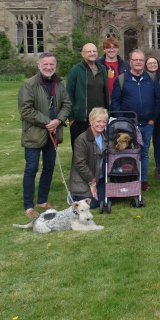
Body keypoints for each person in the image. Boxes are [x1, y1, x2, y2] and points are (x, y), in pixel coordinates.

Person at [18, 52, 72, 218]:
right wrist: (48, 121)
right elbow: (25, 109)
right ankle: (28, 206)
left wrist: (58, 120)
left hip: (53, 133)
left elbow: (67, 104)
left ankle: (42, 200)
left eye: (52, 64)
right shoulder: (29, 85)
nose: (49, 67)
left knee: (49, 167)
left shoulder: (59, 83)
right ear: (39, 65)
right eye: (46, 64)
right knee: (31, 168)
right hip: (34, 134)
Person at [110, 49, 160, 192]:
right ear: (130, 62)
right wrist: (123, 121)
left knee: (144, 152)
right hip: (128, 125)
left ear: (144, 62)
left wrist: (153, 119)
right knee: (127, 153)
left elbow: (158, 101)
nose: (138, 62)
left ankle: (143, 181)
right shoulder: (121, 80)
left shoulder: (151, 79)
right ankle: (128, 179)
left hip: (147, 124)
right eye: (135, 60)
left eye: (141, 60)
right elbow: (115, 103)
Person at [66, 43, 110, 149]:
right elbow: (68, 95)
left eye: (94, 51)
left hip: (99, 119)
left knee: (99, 149)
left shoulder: (102, 69)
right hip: (81, 119)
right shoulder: (75, 71)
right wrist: (71, 118)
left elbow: (104, 92)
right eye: (89, 51)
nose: (92, 53)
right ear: (82, 54)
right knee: (80, 150)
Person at [70, 107, 109, 207]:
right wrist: (92, 182)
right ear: (91, 121)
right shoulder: (81, 140)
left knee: (105, 201)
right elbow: (79, 164)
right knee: (91, 205)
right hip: (84, 179)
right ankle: (73, 196)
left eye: (104, 122)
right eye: (98, 121)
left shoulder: (106, 137)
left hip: (100, 177)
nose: (101, 124)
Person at [145, 56, 160, 179]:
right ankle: (142, 167)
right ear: (146, 66)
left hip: (159, 116)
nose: (153, 65)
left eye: (155, 62)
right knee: (145, 143)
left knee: (157, 142)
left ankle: (159, 167)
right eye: (150, 63)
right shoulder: (144, 78)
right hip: (146, 115)